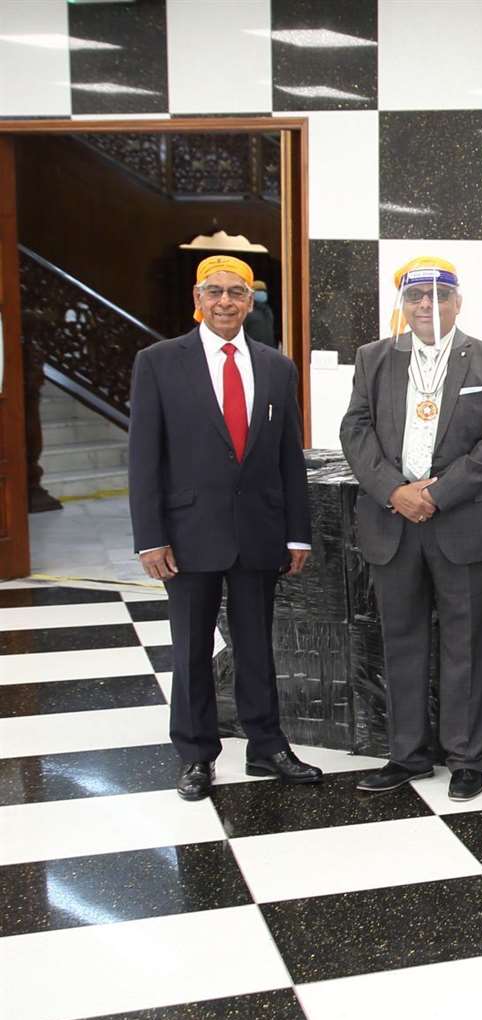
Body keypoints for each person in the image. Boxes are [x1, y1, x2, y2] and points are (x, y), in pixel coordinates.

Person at [128, 254, 320, 800]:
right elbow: (143, 458)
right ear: (197, 299)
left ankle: (267, 746)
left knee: (258, 643)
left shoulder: (277, 367)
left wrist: (297, 532)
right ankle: (195, 754)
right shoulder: (160, 362)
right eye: (215, 292)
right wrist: (149, 536)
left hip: (260, 531)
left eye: (237, 293)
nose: (226, 302)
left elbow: (289, 457)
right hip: (187, 535)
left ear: (250, 301)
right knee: (190, 647)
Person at [341, 257, 482, 803]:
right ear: (404, 303)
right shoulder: (374, 358)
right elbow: (356, 427)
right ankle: (407, 753)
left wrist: (435, 495)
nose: (427, 305)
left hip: (461, 520)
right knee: (402, 640)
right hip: (392, 519)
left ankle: (467, 757)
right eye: (417, 296)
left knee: (467, 641)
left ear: (458, 302)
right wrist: (395, 491)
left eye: (439, 296)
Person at [243, 279, 277, 349]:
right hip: (254, 350)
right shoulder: (247, 310)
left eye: (264, 291)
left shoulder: (268, 310)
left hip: (269, 350)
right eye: (258, 291)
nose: (262, 293)